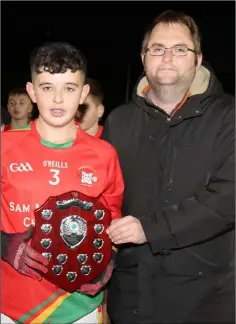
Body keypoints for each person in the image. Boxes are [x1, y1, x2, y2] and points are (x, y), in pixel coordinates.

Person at [102, 10, 235, 324]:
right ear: (144, 58)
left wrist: (150, 227)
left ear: (197, 59)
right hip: (131, 296)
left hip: (205, 299)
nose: (167, 58)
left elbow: (228, 198)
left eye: (180, 49)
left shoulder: (228, 117)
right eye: (157, 49)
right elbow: (102, 196)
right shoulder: (119, 121)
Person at [1, 42, 124, 324]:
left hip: (78, 307)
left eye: (68, 88)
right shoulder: (3, 147)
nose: (58, 99)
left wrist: (109, 258)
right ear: (32, 91)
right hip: (13, 307)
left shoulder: (104, 155)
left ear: (83, 93)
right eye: (47, 87)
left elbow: (112, 220)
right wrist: (2, 243)